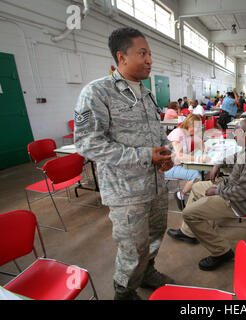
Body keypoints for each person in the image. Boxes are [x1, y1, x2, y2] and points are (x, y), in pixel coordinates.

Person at [74, 27, 175, 300]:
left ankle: (147, 272)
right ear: (121, 57)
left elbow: (158, 135)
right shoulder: (98, 93)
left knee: (155, 235)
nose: (149, 60)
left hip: (155, 186)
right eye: (142, 53)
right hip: (126, 192)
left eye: (150, 54)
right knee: (133, 246)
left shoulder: (145, 93)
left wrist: (166, 155)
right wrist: (146, 156)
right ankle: (125, 289)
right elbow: (88, 144)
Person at [167, 120, 246, 270]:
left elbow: (243, 192)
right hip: (230, 190)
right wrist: (219, 164)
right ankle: (188, 232)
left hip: (237, 202)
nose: (234, 138)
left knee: (188, 214)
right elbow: (236, 158)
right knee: (197, 187)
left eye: (236, 135)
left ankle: (221, 251)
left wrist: (217, 191)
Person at [165, 114, 209, 210]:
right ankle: (181, 194)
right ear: (188, 124)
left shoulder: (189, 134)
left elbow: (200, 142)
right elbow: (180, 156)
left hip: (180, 164)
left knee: (205, 170)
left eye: (198, 127)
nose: (197, 130)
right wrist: (199, 159)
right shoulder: (178, 133)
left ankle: (197, 193)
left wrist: (204, 151)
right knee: (197, 175)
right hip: (168, 166)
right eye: (194, 127)